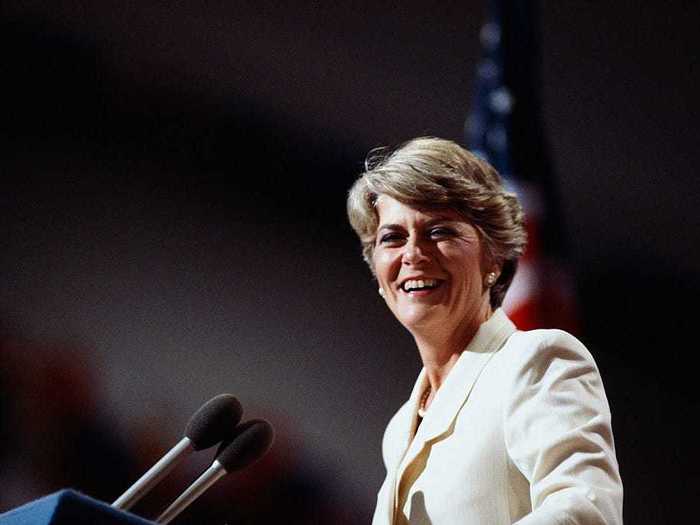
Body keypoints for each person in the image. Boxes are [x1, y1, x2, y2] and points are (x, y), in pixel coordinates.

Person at [346, 137, 623, 524]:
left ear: (493, 258)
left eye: (439, 231)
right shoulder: (400, 428)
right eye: (392, 238)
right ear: (377, 272)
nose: (413, 254)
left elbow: (586, 511)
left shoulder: (537, 361)